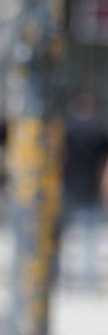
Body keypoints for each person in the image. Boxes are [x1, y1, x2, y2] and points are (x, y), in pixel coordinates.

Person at [60, 89, 108, 286]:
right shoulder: (98, 131)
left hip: (69, 185)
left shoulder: (68, 129)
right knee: (89, 236)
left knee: (61, 234)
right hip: (90, 186)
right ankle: (87, 280)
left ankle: (57, 274)